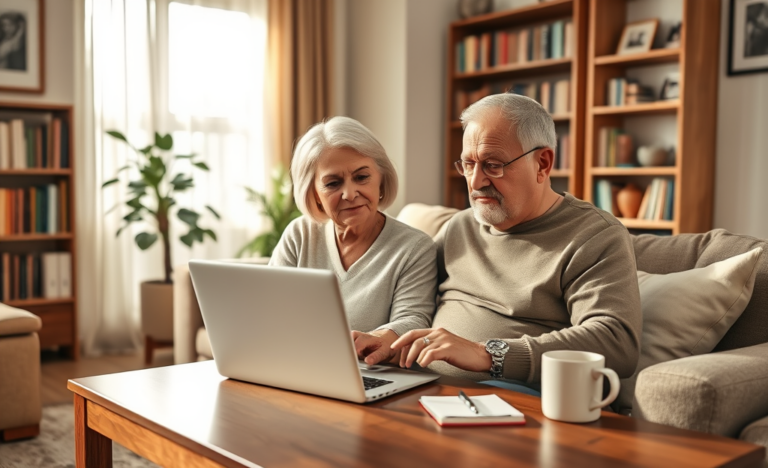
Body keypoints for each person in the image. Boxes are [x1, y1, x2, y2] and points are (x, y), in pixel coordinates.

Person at [391, 93, 642, 396]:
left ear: (543, 163)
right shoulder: (461, 226)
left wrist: (489, 354)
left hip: (514, 397)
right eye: (468, 164)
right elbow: (410, 293)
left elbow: (616, 342)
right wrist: (386, 337)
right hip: (420, 384)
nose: (475, 182)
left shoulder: (594, 235)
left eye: (493, 165)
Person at [270, 116, 438, 366]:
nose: (350, 194)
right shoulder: (299, 235)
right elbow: (270, 308)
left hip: (369, 372)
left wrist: (378, 338)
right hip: (299, 365)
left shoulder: (415, 248)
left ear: (381, 178)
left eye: (361, 177)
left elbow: (412, 319)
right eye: (333, 183)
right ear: (314, 194)